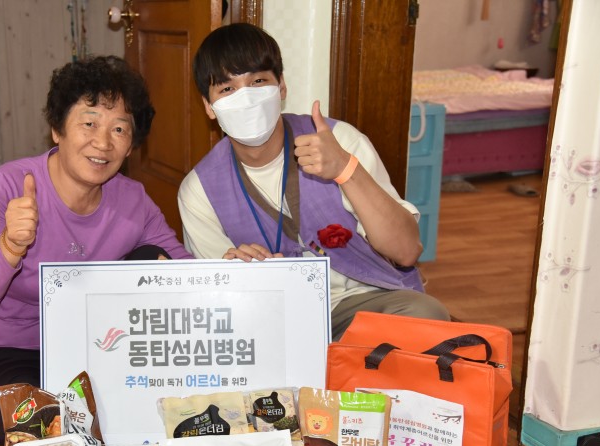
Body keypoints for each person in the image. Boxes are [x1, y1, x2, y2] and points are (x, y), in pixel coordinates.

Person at [0, 55, 192, 444]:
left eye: (119, 129)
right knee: (5, 421)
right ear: (57, 129)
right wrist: (9, 245)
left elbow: (186, 273)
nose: (103, 142)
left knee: (152, 259)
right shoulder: (9, 185)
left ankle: (92, 413)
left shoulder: (133, 201)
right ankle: (92, 415)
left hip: (98, 343)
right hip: (16, 345)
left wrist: (238, 271)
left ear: (130, 147)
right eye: (89, 123)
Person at [178, 23, 450, 340]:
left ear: (281, 87)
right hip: (275, 318)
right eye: (227, 89)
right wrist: (240, 276)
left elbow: (405, 251)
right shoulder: (199, 191)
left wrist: (346, 169)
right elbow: (220, 304)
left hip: (363, 303)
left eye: (258, 82)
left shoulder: (340, 140)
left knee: (427, 317)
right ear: (209, 106)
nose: (246, 98)